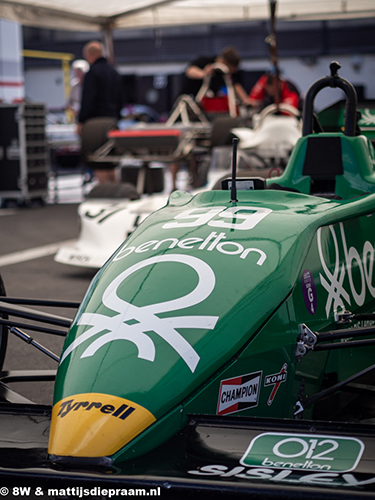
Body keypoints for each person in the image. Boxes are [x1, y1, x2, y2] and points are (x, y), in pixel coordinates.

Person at [77, 40, 124, 184]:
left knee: (99, 158)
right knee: (111, 159)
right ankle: (115, 191)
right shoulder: (114, 72)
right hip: (112, 121)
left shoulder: (92, 73)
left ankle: (103, 191)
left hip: (96, 123)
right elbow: (122, 99)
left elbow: (88, 100)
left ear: (89, 55)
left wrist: (81, 121)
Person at [180, 46, 249, 114]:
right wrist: (204, 73)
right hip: (189, 101)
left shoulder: (226, 73)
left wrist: (246, 100)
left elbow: (236, 85)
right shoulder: (205, 61)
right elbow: (189, 71)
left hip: (205, 106)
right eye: (231, 69)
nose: (231, 72)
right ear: (224, 62)